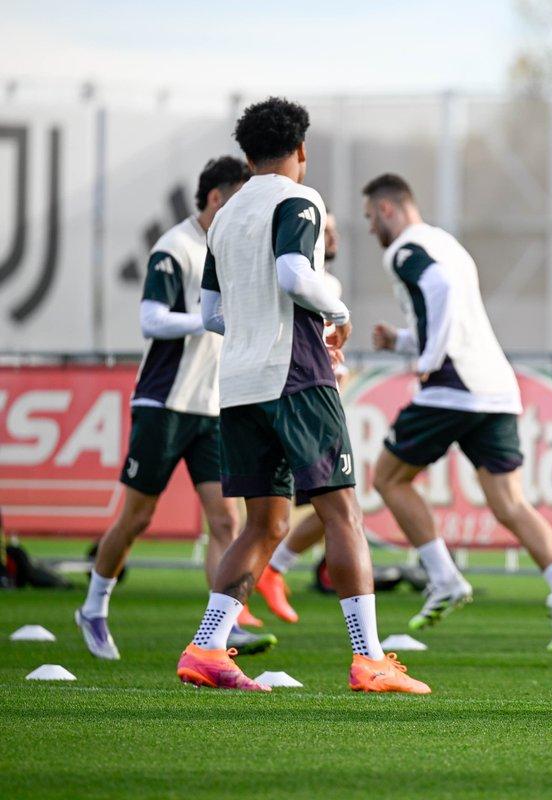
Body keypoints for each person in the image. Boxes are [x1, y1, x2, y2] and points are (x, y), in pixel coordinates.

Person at [178, 97, 429, 693]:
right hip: (295, 377)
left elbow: (210, 314)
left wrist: (256, 326)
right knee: (343, 513)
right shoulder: (299, 199)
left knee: (264, 524)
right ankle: (370, 659)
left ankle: (207, 647)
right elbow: (294, 274)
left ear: (247, 156)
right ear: (301, 150)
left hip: (238, 385)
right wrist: (337, 311)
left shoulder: (225, 217)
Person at [361, 172, 552, 667]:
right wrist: (403, 341)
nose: (371, 227)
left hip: (453, 385)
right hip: (495, 387)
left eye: (370, 216)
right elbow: (453, 314)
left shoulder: (404, 249)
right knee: (510, 503)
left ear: (387, 209)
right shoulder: (449, 244)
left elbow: (439, 291)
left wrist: (427, 359)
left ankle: (444, 578)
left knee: (389, 478)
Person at [75, 157, 273, 659]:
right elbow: (151, 319)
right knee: (137, 517)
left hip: (211, 408)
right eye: (238, 199)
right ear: (215, 198)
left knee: (226, 521)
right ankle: (94, 607)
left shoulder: (229, 247)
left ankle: (222, 629)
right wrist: (208, 319)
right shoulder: (175, 247)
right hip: (163, 403)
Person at [255, 211, 349, 624]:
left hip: (313, 397)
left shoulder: (330, 286)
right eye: (324, 229)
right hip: (294, 399)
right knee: (334, 509)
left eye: (333, 230)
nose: (332, 237)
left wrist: (337, 367)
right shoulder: (292, 278)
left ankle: (255, 588)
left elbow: (326, 348)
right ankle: (367, 650)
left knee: (320, 510)